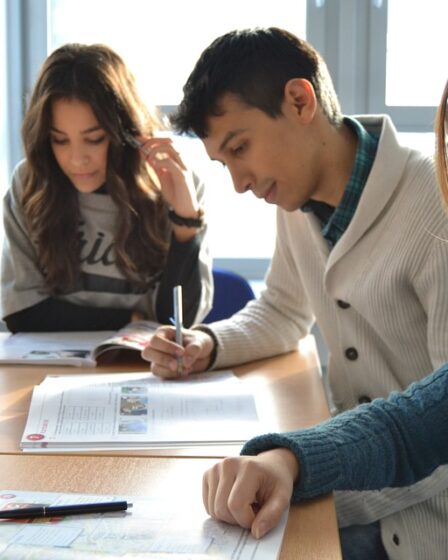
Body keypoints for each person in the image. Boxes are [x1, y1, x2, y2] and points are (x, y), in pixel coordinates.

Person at [142, 28, 448, 559]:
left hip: (420, 517)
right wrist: (208, 345)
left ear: (300, 100)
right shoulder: (296, 201)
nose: (239, 182)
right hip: (351, 471)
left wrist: (308, 482)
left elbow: (437, 428)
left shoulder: (434, 204)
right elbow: (284, 312)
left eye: (241, 148)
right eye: (223, 163)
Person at [1, 43, 213, 333]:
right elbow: (23, 314)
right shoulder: (31, 184)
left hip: (145, 370)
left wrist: (186, 223)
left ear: (124, 133)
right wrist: (129, 321)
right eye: (59, 140)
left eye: (95, 139)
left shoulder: (172, 186)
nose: (77, 159)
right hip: (49, 371)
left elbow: (177, 322)